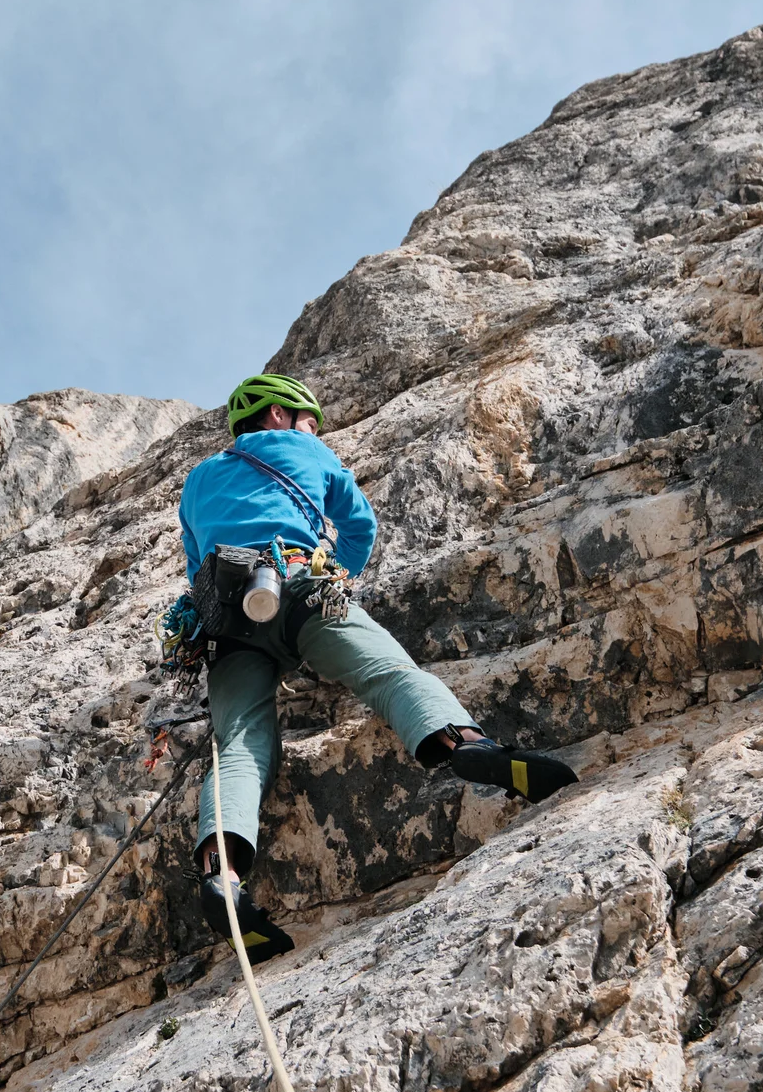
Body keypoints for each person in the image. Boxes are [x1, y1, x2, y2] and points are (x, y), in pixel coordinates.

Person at [176, 372, 577, 962]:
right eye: (308, 419)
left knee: (237, 746)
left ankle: (223, 873)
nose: (313, 430)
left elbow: (194, 569)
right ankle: (463, 742)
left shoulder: (198, 481)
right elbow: (360, 524)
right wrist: (340, 573)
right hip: (301, 588)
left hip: (228, 626)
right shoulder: (305, 449)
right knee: (388, 674)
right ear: (280, 417)